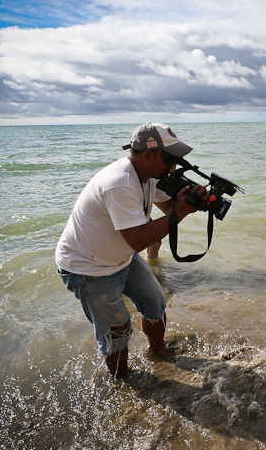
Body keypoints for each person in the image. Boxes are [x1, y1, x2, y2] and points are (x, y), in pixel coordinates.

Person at [55, 123, 205, 378]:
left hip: (121, 256)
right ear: (148, 155)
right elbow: (138, 240)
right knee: (117, 330)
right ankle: (123, 381)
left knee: (155, 302)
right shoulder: (120, 182)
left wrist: (190, 202)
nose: (175, 166)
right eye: (170, 159)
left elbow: (169, 210)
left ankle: (158, 352)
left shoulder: (150, 176)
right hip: (89, 269)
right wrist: (180, 212)